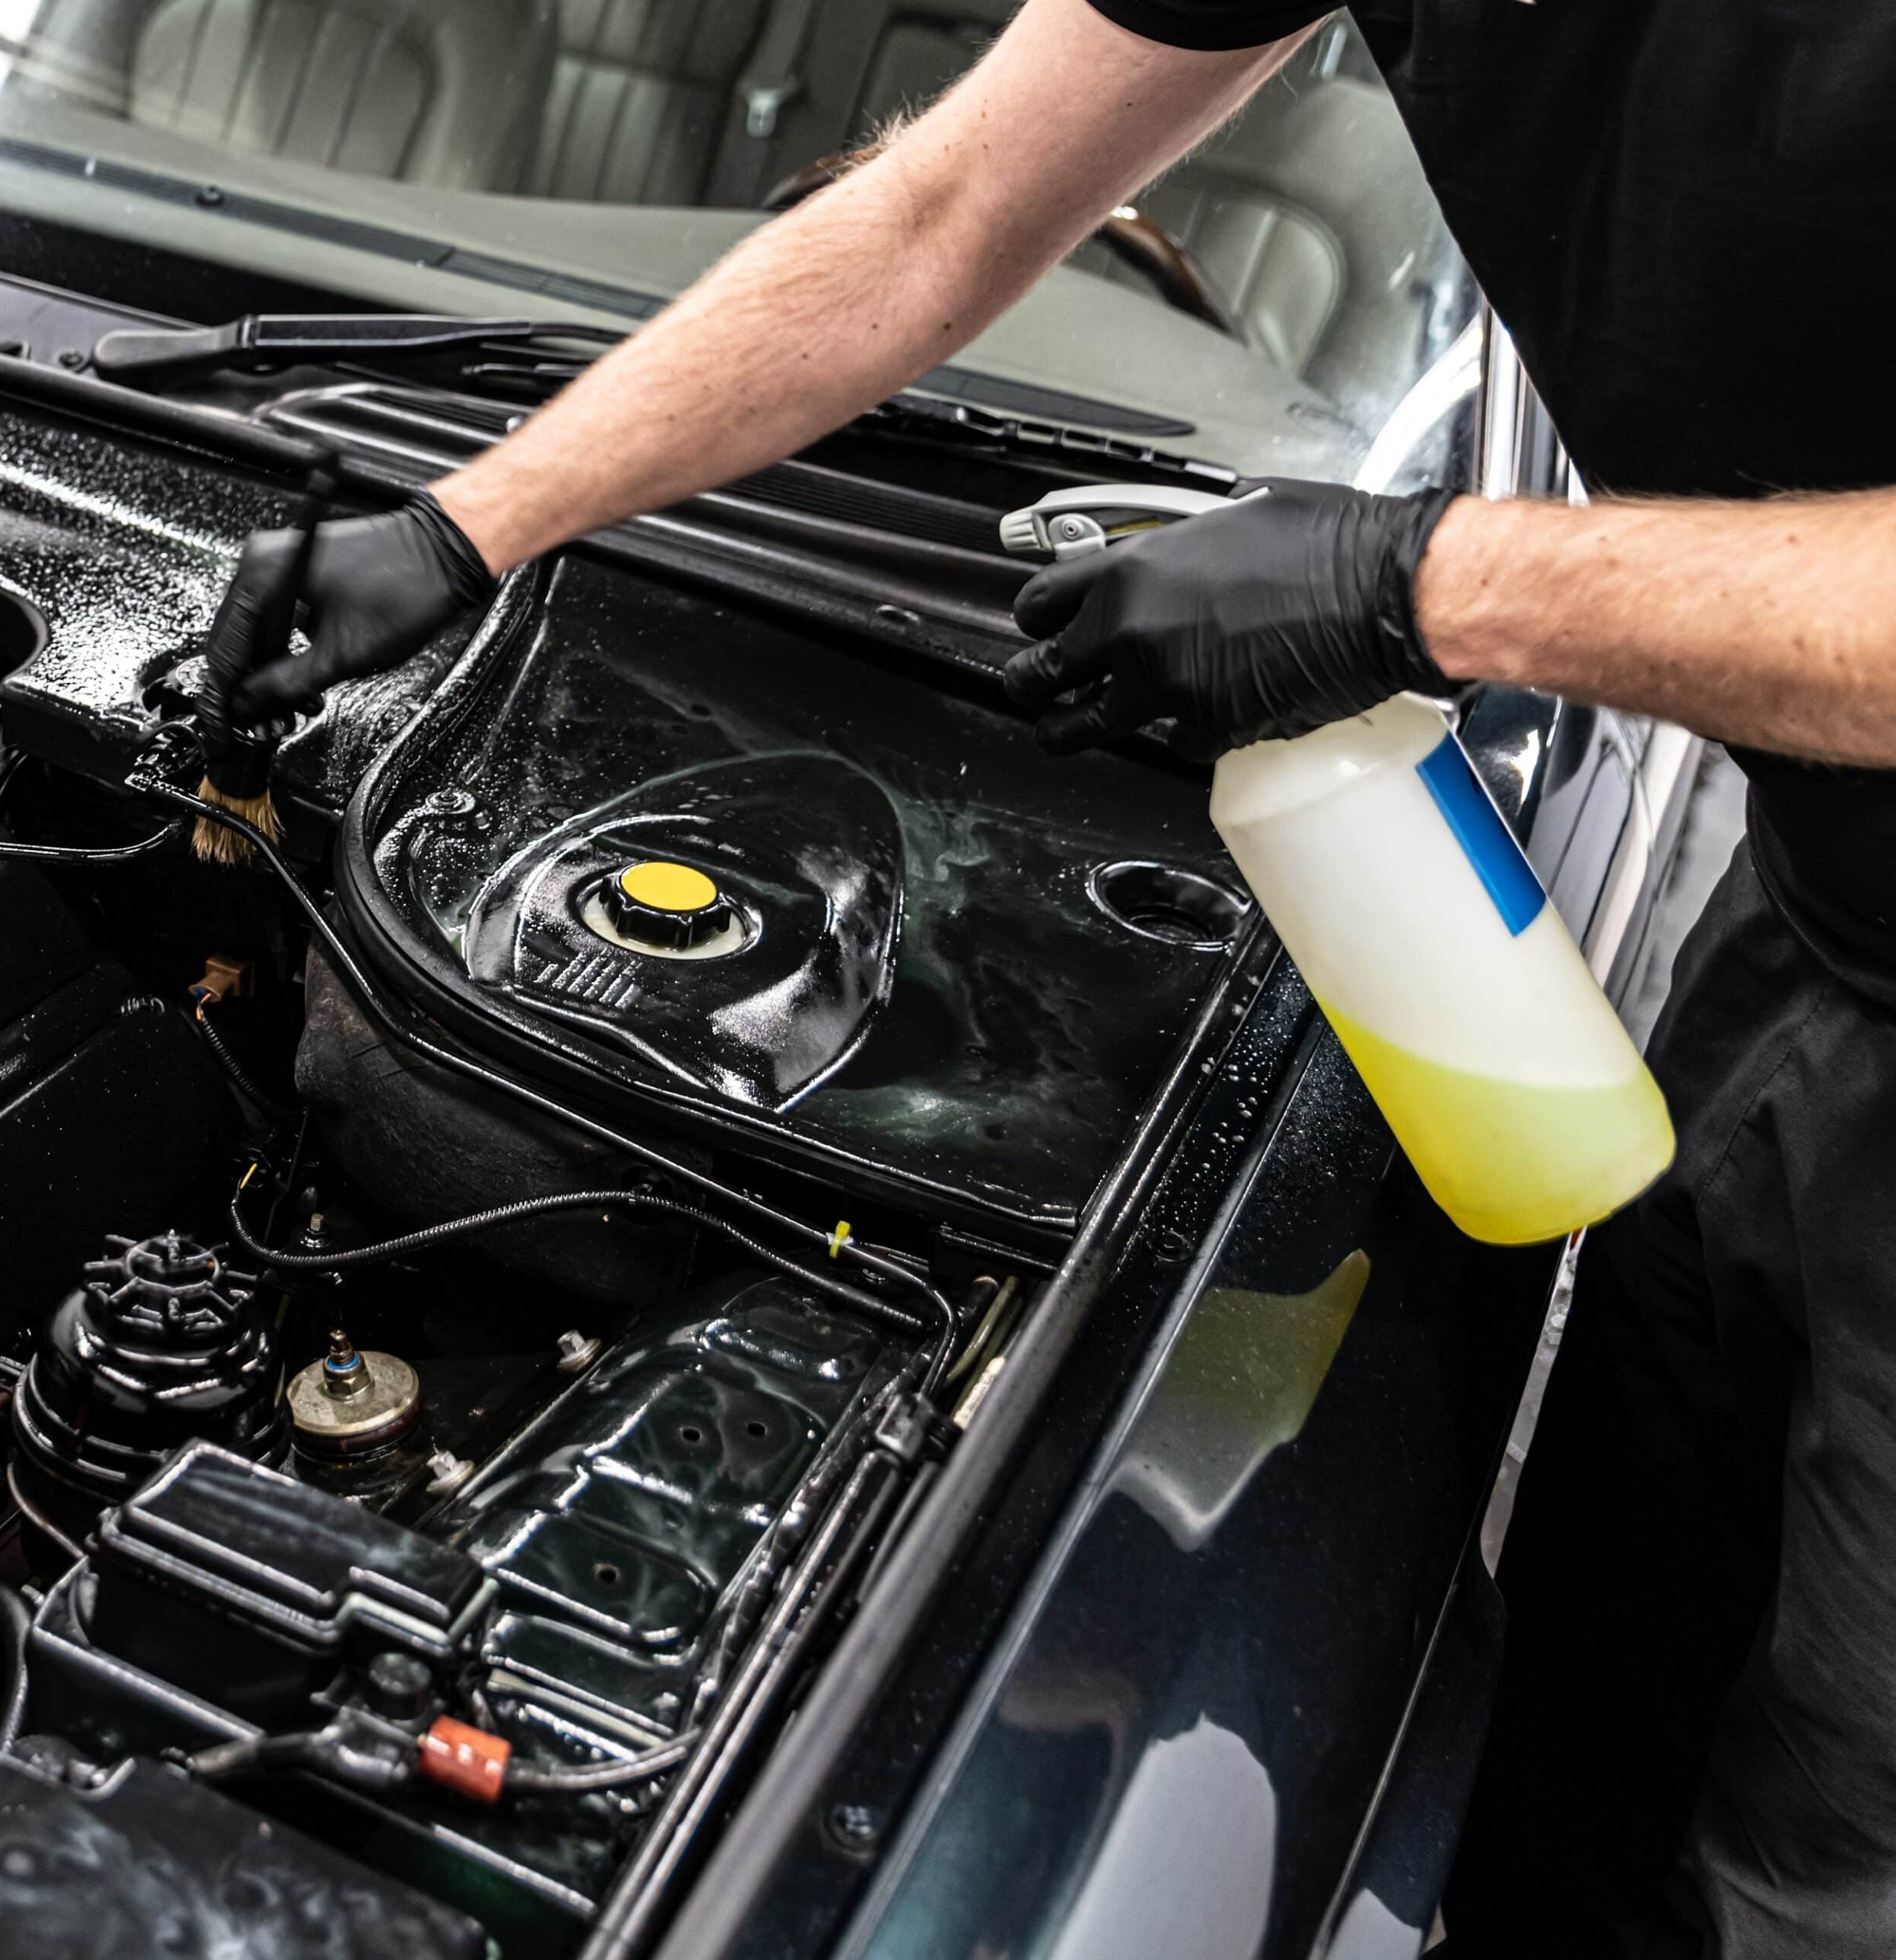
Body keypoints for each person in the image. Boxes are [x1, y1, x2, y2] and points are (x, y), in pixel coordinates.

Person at [204, 4, 1896, 1954]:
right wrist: (469, 519)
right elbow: (939, 208)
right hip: (1811, 902)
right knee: (1604, 1693)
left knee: (1813, 1867)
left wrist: (1413, 577)